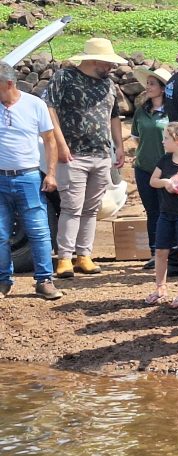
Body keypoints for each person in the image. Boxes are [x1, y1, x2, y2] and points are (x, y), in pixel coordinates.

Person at [45, 38, 126, 279]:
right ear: (94, 60)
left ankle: (84, 254)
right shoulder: (64, 78)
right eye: (107, 63)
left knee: (92, 208)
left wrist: (119, 145)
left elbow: (114, 115)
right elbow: (49, 108)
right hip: (73, 154)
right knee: (72, 206)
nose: (111, 68)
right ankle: (65, 257)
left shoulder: (108, 84)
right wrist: (60, 143)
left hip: (101, 154)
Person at [0, 61, 62, 300]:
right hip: (1, 177)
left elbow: (50, 140)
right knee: (1, 233)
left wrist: (52, 173)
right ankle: (3, 281)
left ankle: (44, 280)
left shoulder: (34, 104)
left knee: (39, 231)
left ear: (8, 84)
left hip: (28, 176)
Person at [146, 122, 178, 309]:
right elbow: (153, 181)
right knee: (160, 251)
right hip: (166, 213)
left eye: (166, 138)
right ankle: (160, 287)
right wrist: (166, 182)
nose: (163, 141)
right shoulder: (165, 160)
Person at [131, 65, 172, 268]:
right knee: (151, 210)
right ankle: (155, 252)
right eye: (147, 83)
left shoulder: (172, 112)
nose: (148, 87)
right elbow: (137, 138)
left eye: (152, 83)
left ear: (163, 88)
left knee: (168, 210)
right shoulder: (141, 111)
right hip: (144, 167)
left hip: (167, 169)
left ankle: (170, 252)